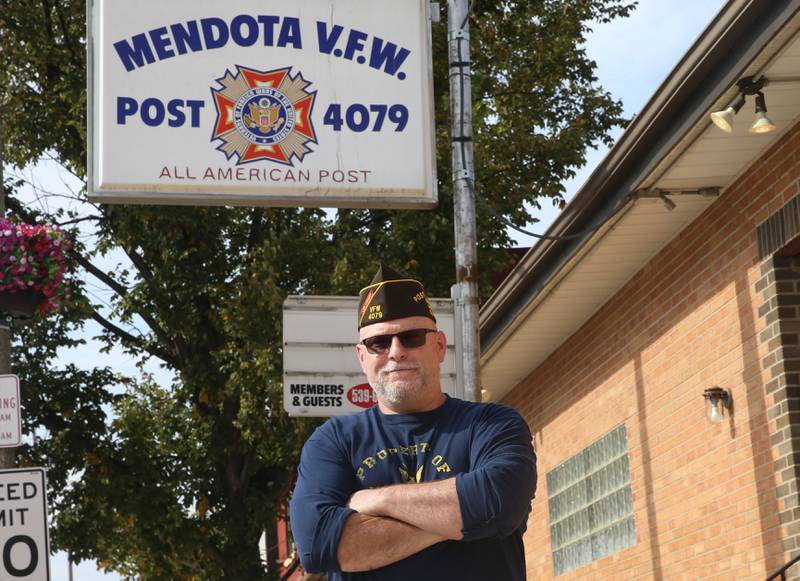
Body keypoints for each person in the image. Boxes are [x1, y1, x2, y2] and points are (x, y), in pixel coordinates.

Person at [289, 264, 537, 580]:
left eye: (412, 337)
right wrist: (465, 519)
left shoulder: (492, 425)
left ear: (438, 346)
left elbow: (499, 502)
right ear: (362, 357)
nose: (396, 352)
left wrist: (375, 499)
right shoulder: (334, 440)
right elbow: (317, 544)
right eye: (379, 342)